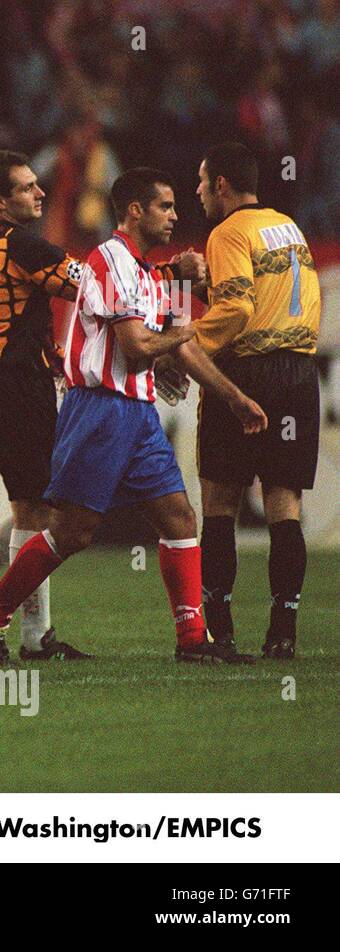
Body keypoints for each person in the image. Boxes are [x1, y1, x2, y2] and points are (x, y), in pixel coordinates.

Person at [0, 168, 269, 664]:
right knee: (71, 531)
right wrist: (186, 334)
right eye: (165, 206)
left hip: (138, 412)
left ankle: (192, 641)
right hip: (100, 409)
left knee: (180, 519)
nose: (174, 215)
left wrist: (232, 396)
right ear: (136, 210)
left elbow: (175, 348)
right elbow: (137, 344)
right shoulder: (112, 259)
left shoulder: (145, 271)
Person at [193, 142, 322, 659]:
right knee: (284, 506)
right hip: (297, 371)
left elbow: (238, 307)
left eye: (202, 182)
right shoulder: (288, 226)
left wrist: (186, 345)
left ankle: (219, 628)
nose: (198, 192)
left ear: (222, 184)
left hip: (247, 371)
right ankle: (283, 629)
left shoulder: (227, 231)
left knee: (219, 503)